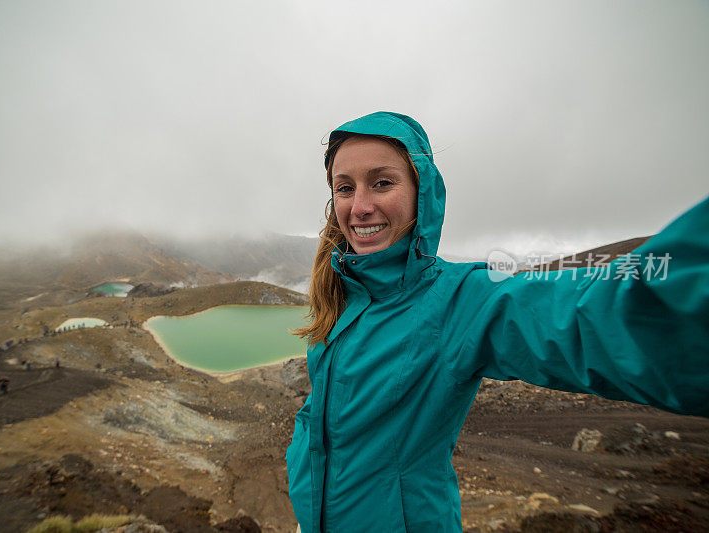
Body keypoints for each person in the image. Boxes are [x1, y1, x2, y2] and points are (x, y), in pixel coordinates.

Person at [286, 111, 709, 532]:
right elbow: (321, 411)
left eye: (382, 182)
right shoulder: (343, 294)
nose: (359, 206)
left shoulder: (461, 299)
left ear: (422, 193)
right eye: (345, 188)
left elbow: (589, 319)